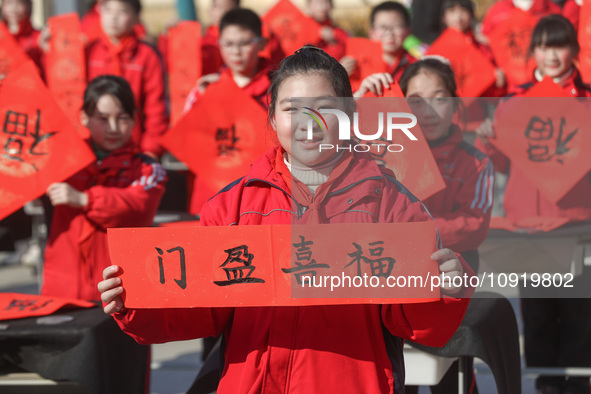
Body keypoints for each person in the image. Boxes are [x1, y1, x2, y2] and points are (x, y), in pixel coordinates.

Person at [98, 46, 476, 393]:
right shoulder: (232, 206)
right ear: (273, 117)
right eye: (292, 109)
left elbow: (411, 321)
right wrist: (136, 303)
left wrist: (445, 289)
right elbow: (204, 312)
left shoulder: (392, 205)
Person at [352, 57, 494, 393]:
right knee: (397, 370)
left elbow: (474, 226)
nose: (428, 110)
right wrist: (357, 100)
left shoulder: (474, 161)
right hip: (389, 273)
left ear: (456, 105)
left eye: (439, 98)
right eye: (415, 100)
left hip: (448, 276)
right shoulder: (381, 150)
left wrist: (414, 234)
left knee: (448, 373)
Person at [475, 15, 591, 394]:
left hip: (577, 221)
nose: (551, 55)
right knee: (538, 311)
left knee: (580, 311)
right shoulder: (515, 102)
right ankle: (545, 385)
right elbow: (502, 163)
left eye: (559, 45)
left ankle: (576, 382)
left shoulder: (588, 101)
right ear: (533, 52)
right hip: (528, 224)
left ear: (574, 50)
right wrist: (489, 140)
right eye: (543, 46)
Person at [42, 75, 166, 302]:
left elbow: (138, 208)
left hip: (122, 292)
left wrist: (85, 200)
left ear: (135, 120)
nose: (113, 128)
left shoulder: (148, 168)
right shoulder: (61, 159)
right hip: (62, 288)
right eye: (102, 118)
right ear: (84, 117)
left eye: (122, 118)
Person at [184, 8, 273, 215]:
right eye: (229, 44)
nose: (236, 51)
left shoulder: (276, 88)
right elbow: (189, 141)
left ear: (261, 43)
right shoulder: (206, 87)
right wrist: (204, 102)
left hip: (259, 190)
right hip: (212, 191)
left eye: (244, 43)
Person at [85, 0, 169, 159]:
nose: (113, 18)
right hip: (93, 148)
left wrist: (151, 149)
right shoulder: (89, 52)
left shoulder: (146, 55)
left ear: (137, 18)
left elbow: (156, 106)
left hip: (134, 149)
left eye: (122, 12)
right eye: (108, 10)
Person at [347, 1, 416, 94]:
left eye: (396, 26)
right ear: (372, 33)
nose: (389, 32)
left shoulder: (415, 66)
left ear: (408, 31)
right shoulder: (355, 66)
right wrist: (341, 75)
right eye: (383, 27)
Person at [0, 0, 43, 74]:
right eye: (8, 4)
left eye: (18, 4)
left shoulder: (39, 37)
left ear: (28, 5)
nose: (13, 9)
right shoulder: (2, 37)